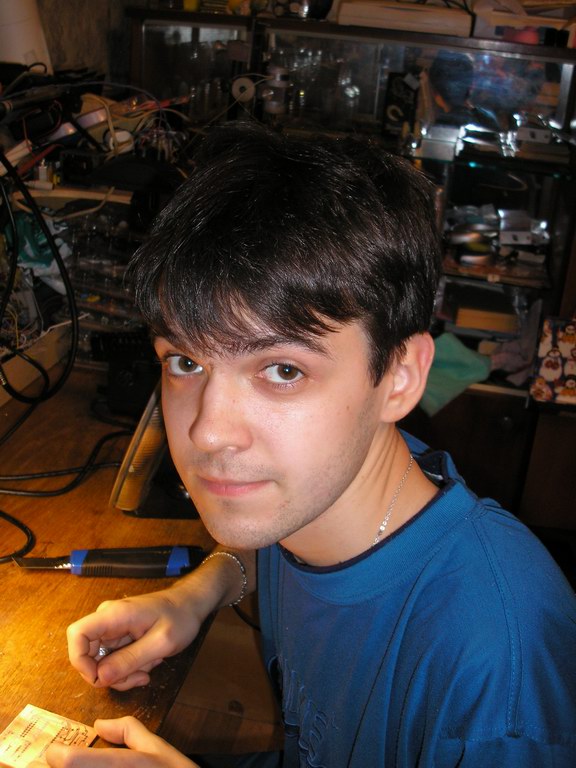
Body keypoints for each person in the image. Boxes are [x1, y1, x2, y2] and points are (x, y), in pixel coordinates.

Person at [46, 123, 576, 768]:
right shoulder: (325, 486)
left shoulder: (499, 675)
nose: (208, 431)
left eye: (284, 370)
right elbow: (269, 547)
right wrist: (200, 590)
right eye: (185, 361)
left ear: (399, 376)